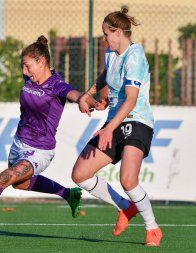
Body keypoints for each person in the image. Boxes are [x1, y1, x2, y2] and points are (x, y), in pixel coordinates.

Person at [0, 35, 100, 228]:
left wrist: (86, 99)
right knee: (20, 183)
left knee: (3, 178)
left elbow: (74, 94)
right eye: (22, 66)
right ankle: (69, 194)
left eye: (27, 66)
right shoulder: (30, 78)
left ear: (41, 62)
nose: (24, 71)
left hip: (40, 150)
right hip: (19, 143)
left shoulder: (56, 85)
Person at [74, 7, 162, 246]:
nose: (103, 38)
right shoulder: (110, 53)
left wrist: (108, 128)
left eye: (106, 34)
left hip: (137, 121)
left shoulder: (135, 56)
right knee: (80, 175)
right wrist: (89, 95)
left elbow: (131, 99)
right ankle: (126, 207)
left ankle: (152, 227)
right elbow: (105, 77)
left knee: (128, 180)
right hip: (114, 121)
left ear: (119, 32)